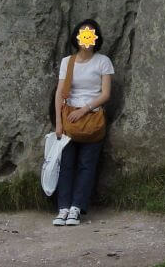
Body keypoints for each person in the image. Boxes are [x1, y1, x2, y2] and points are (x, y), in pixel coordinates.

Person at [52, 19, 114, 226]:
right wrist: (59, 123)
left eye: (90, 34)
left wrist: (84, 109)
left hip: (92, 118)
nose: (86, 38)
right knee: (66, 165)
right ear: (76, 37)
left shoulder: (103, 61)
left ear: (96, 38)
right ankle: (63, 208)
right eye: (82, 34)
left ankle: (76, 208)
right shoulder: (67, 62)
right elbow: (60, 93)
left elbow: (106, 94)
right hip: (69, 119)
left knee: (87, 165)